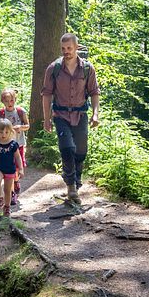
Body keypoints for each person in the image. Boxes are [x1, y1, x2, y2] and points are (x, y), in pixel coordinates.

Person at [41, 33, 100, 203]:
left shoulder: (87, 69)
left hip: (80, 114)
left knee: (81, 151)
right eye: (63, 49)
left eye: (69, 48)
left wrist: (95, 114)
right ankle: (71, 188)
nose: (66, 52)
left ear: (76, 48)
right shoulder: (54, 69)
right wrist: (46, 119)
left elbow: (94, 92)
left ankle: (77, 181)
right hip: (60, 115)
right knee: (67, 149)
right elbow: (46, 94)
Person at [0, 88, 30, 206]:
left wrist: (19, 128)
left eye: (11, 100)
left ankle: (16, 182)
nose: (9, 103)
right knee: (9, 169)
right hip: (6, 146)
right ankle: (11, 193)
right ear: (3, 101)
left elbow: (27, 125)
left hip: (19, 144)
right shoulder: (0, 114)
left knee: (16, 168)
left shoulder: (20, 112)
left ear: (15, 100)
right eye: (6, 101)